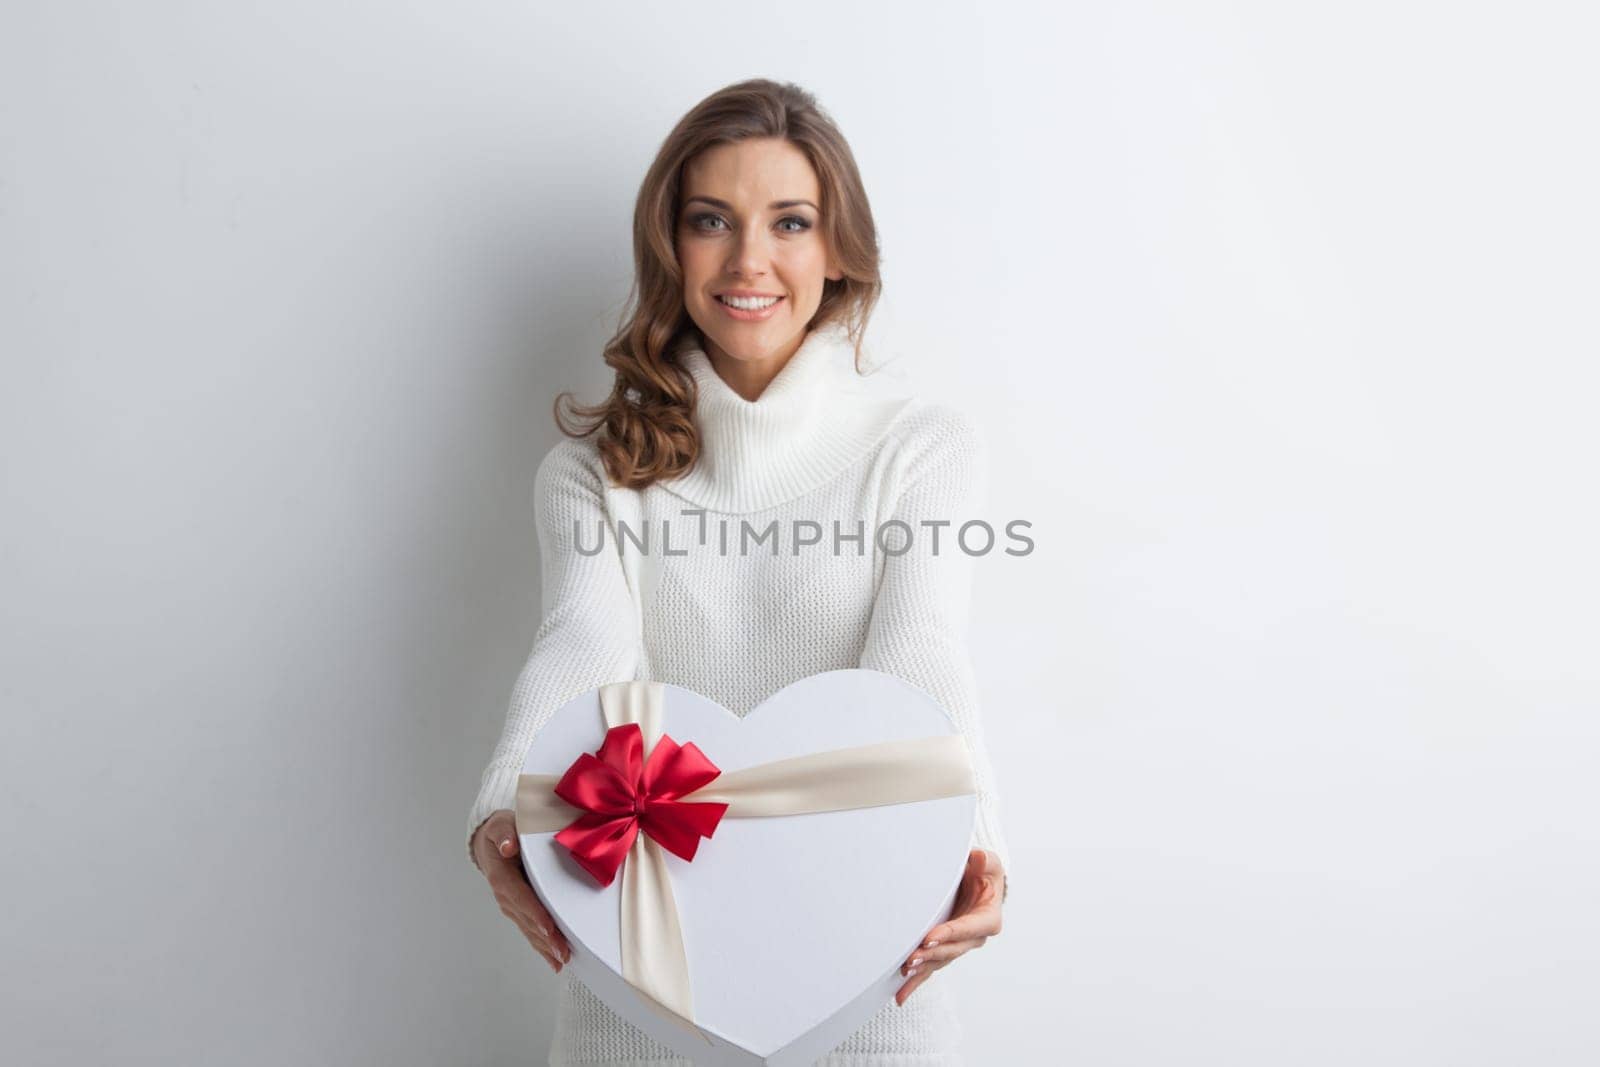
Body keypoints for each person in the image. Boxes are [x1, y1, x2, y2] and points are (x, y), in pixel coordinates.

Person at [468, 77, 1010, 1066]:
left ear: (838, 249)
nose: (749, 260)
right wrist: (504, 808)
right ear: (668, 247)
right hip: (635, 983)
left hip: (872, 977)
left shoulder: (922, 447)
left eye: (790, 222)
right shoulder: (590, 475)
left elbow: (919, 646)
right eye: (711, 220)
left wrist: (976, 842)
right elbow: (587, 643)